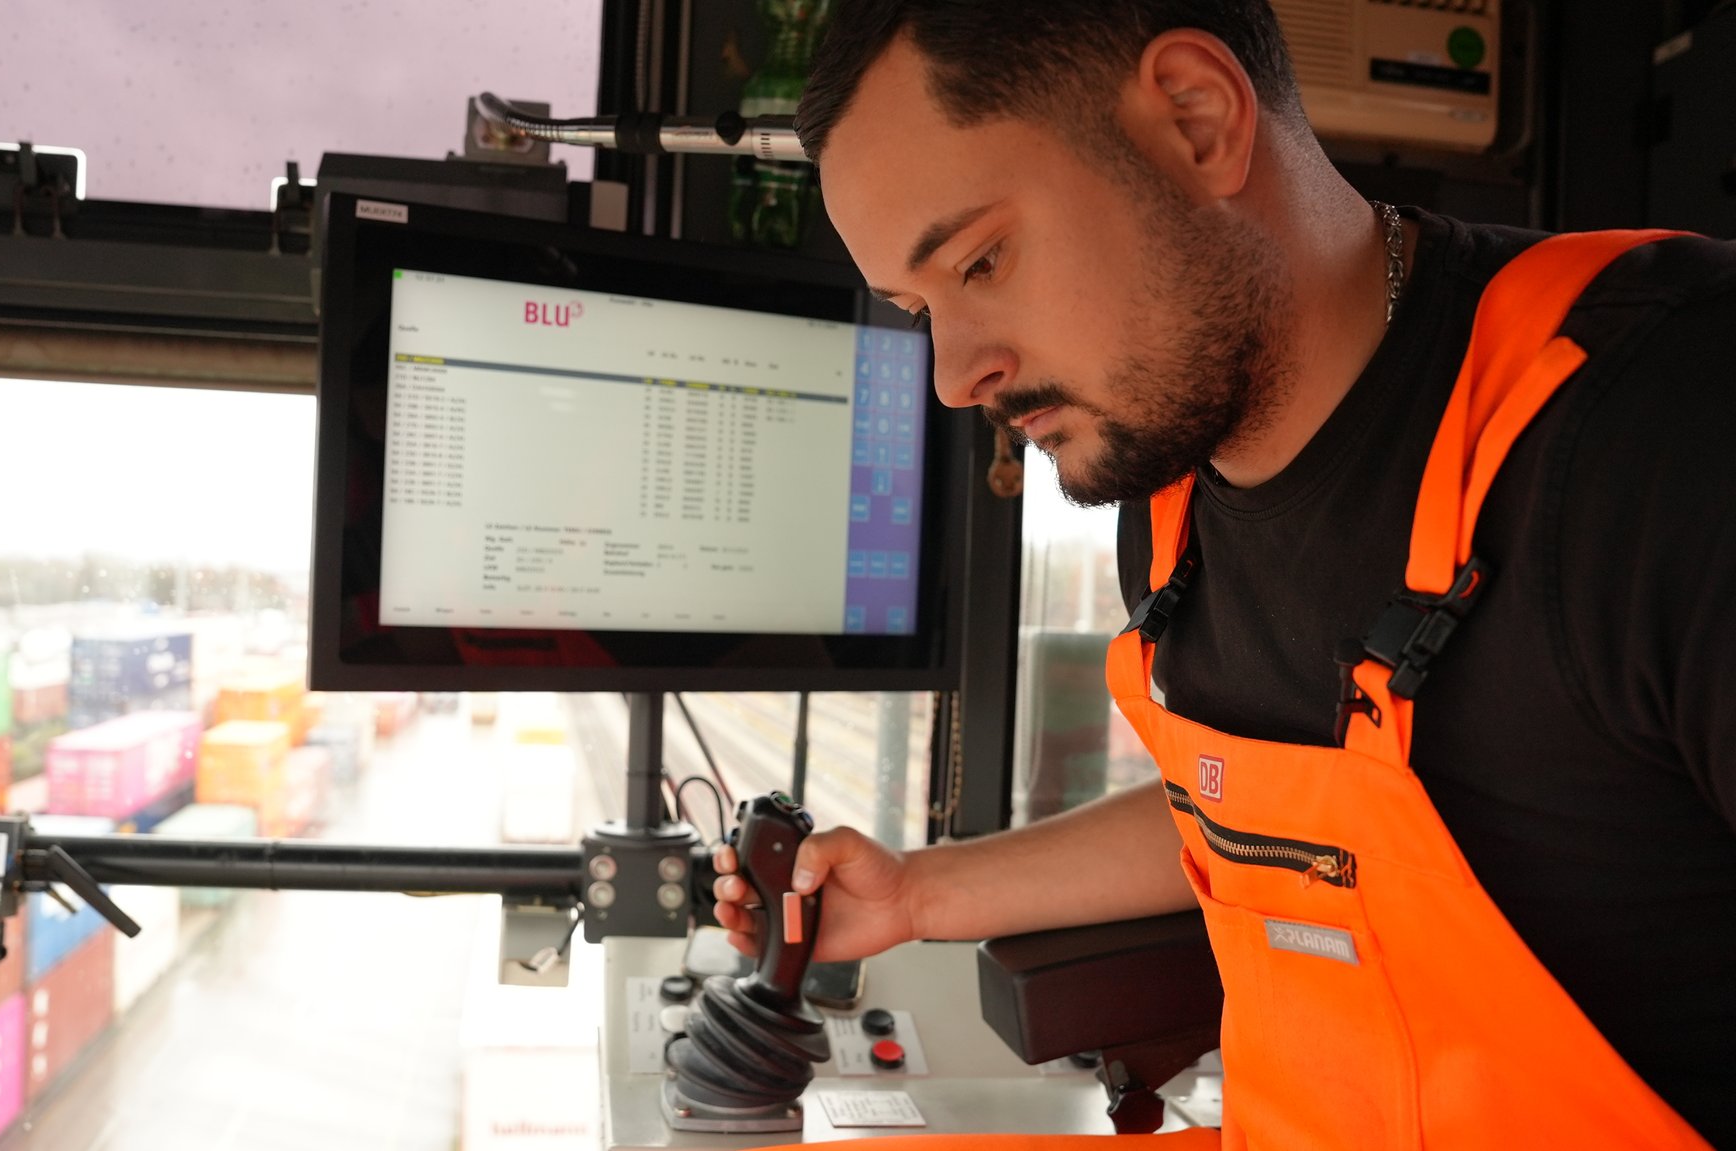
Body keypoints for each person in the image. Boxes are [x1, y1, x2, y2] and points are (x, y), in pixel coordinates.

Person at [710, 1, 1736, 1145]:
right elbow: (1253, 805)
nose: (954, 375)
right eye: (918, 312)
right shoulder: (1170, 499)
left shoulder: (1666, 433)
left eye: (980, 260)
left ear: (1195, 123)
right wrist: (921, 892)